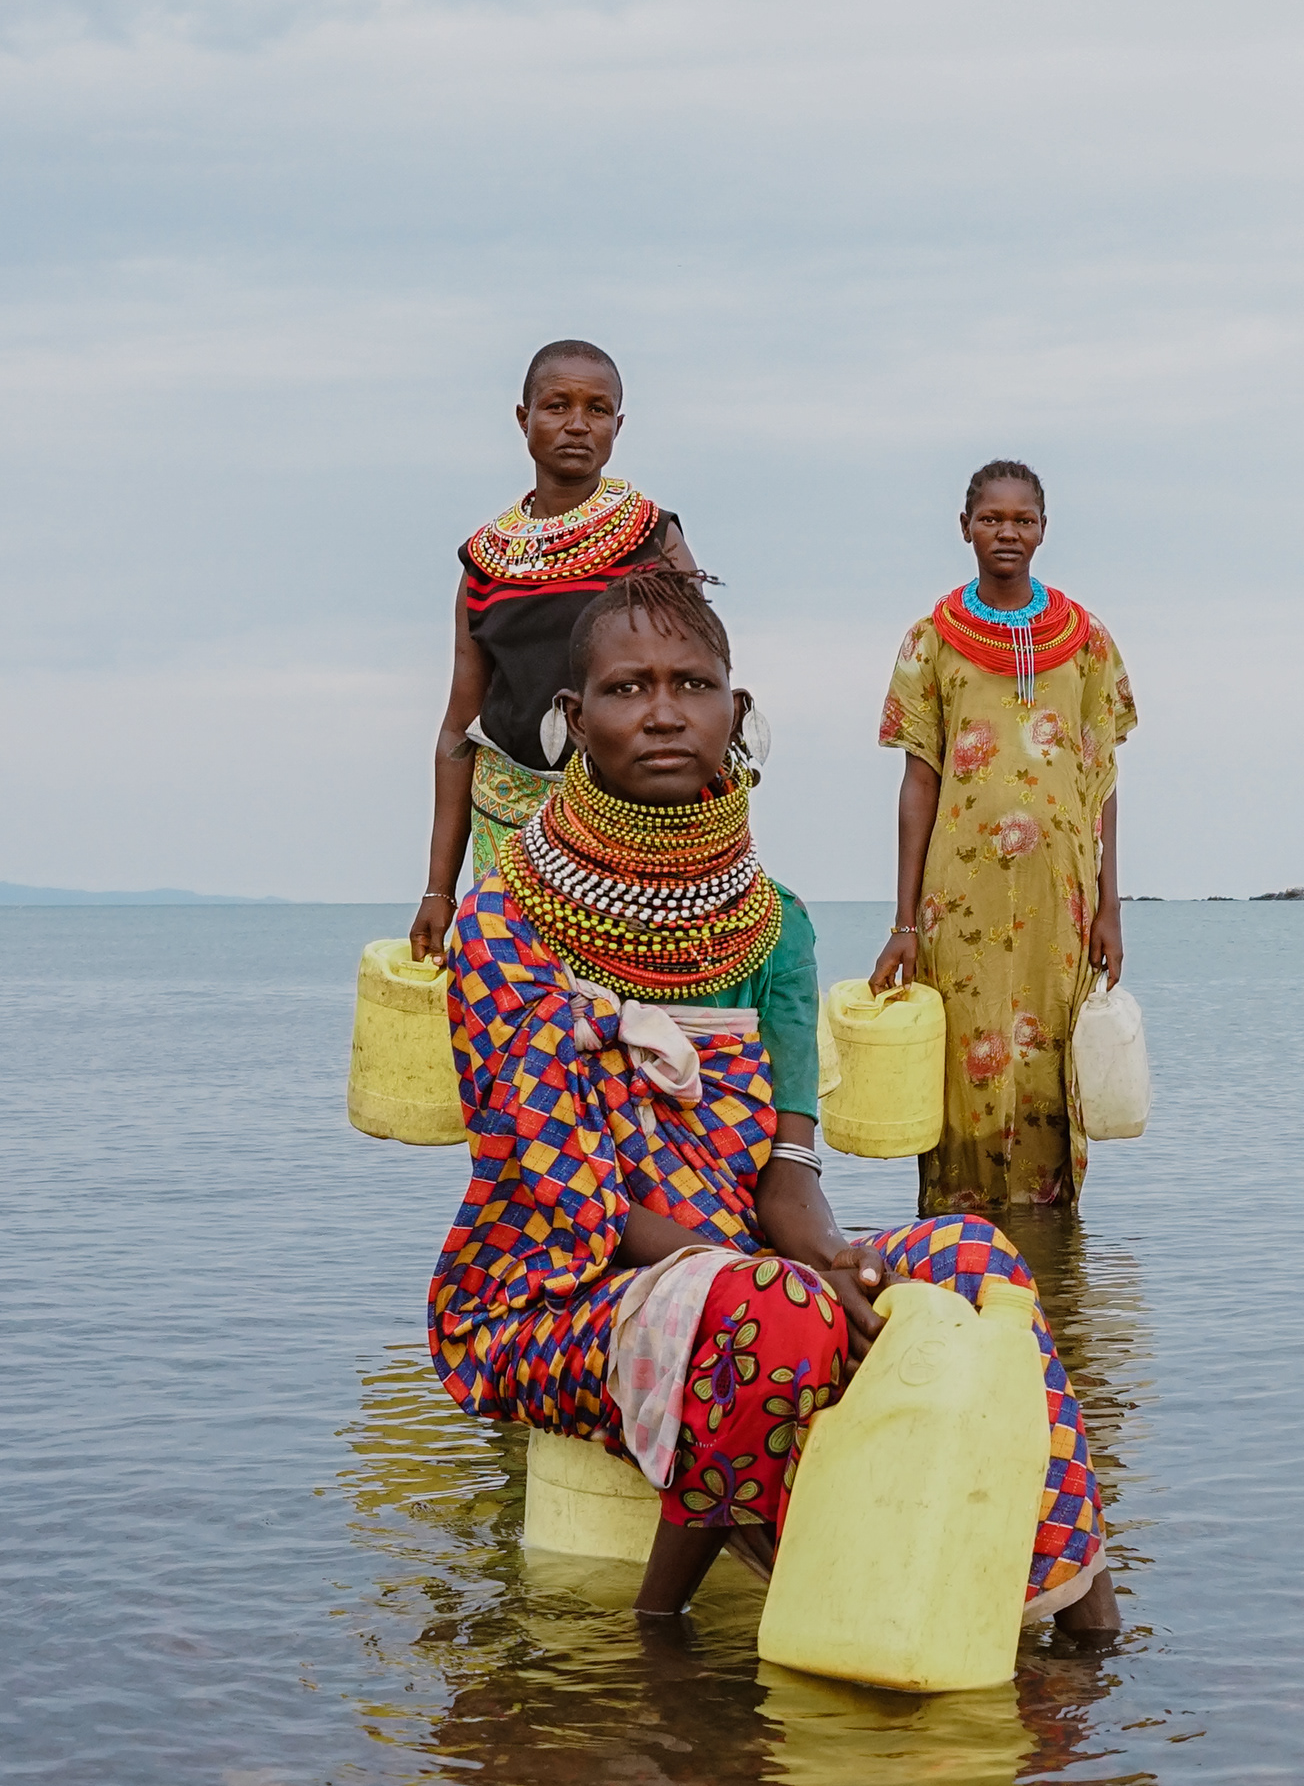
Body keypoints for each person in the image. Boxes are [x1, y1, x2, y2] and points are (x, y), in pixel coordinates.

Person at [431, 563, 1117, 1635]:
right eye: (626, 688)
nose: (663, 711)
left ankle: (1081, 1622)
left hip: (739, 1269)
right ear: (571, 718)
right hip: (553, 1288)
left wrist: (833, 1253)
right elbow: (569, 1199)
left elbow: (786, 1176)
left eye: (692, 684)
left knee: (978, 1264)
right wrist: (771, 1276)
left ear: (735, 712)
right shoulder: (502, 924)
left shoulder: (773, 925)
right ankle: (672, 1633)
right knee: (786, 1315)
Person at [867, 462, 1136, 1214]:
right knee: (962, 1064)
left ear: (1044, 531)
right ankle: (956, 1249)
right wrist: (902, 922)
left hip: (1062, 898)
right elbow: (919, 782)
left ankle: (1054, 1269)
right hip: (957, 899)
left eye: (1022, 520)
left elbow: (1103, 778)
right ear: (965, 529)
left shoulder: (1088, 642)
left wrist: (1111, 907)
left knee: (1054, 1066)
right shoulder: (930, 641)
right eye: (992, 519)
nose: (1007, 533)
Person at [406, 340, 698, 966]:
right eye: (556, 405)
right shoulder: (485, 561)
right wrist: (438, 888)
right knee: (516, 1018)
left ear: (618, 426)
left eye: (597, 410)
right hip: (506, 833)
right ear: (523, 419)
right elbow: (459, 729)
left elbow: (700, 686)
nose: (576, 424)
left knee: (630, 1012)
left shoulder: (653, 536)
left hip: (630, 821)